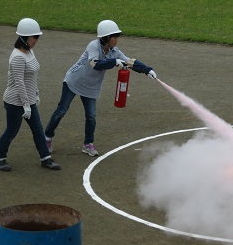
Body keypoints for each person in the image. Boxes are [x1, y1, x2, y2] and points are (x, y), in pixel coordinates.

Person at [44, 19, 157, 156]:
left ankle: (88, 144)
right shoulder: (93, 46)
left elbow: (129, 61)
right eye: (114, 36)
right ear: (105, 38)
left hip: (91, 87)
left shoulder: (114, 51)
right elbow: (94, 64)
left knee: (91, 116)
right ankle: (47, 138)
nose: (117, 39)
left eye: (117, 36)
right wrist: (113, 62)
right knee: (62, 110)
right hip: (74, 81)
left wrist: (147, 70)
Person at [0, 18, 61, 171]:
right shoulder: (18, 57)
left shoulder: (29, 52)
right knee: (12, 131)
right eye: (35, 37)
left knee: (38, 129)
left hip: (28, 99)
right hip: (15, 101)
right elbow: (19, 83)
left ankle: (45, 158)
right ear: (25, 38)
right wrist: (26, 105)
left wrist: (36, 93)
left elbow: (32, 77)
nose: (37, 40)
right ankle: (0, 157)